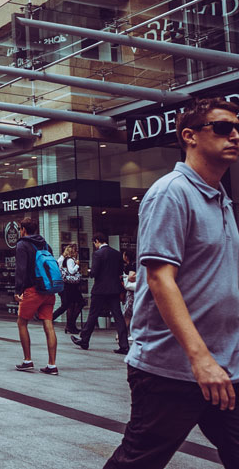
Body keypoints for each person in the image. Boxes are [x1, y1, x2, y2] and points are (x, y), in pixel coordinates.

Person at [103, 98, 239, 468]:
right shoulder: (171, 192)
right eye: (224, 128)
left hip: (223, 366)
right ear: (189, 137)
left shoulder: (220, 198)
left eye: (238, 128)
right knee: (138, 462)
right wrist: (200, 360)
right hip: (172, 370)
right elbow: (161, 280)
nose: (235, 135)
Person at [13, 217, 58, 375]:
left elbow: (21, 269)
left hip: (32, 290)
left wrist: (18, 290)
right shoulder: (45, 244)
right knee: (48, 325)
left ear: (23, 230)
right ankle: (52, 365)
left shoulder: (22, 244)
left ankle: (27, 360)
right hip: (47, 289)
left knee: (22, 322)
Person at [72, 233, 129, 354]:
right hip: (114, 289)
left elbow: (94, 273)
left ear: (97, 241)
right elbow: (120, 271)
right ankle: (124, 345)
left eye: (94, 243)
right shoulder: (117, 254)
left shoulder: (97, 254)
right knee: (118, 316)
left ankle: (85, 340)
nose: (95, 245)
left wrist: (90, 271)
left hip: (100, 289)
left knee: (93, 314)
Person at [52, 244, 83, 334]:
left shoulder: (63, 259)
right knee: (75, 303)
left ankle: (70, 325)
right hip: (70, 286)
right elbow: (71, 271)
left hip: (67, 285)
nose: (77, 253)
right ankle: (69, 324)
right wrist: (77, 265)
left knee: (69, 305)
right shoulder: (70, 260)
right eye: (76, 251)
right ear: (73, 251)